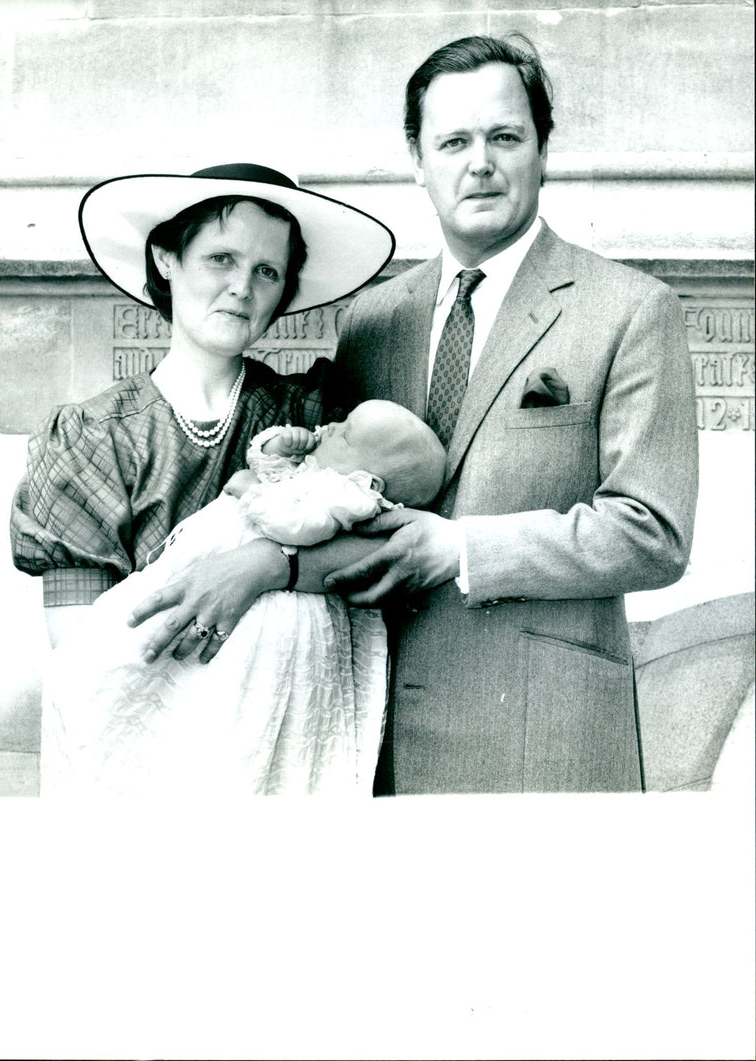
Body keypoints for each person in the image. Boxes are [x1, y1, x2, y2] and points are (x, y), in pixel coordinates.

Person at [125, 35, 699, 795]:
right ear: (418, 159)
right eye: (454, 141)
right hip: (373, 741)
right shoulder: (374, 321)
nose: (480, 163)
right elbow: (345, 496)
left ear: (542, 148)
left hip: (551, 750)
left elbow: (651, 533)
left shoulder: (629, 310)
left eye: (505, 137)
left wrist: (463, 548)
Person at [11, 161, 395, 789]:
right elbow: (88, 662)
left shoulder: (315, 420)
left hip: (286, 740)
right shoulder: (92, 439)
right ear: (167, 258)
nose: (242, 287)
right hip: (145, 761)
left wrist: (261, 567)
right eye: (221, 258)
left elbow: (377, 558)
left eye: (266, 271)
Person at [40, 401, 445, 796]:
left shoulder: (345, 496)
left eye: (346, 433)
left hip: (268, 604)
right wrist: (276, 448)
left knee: (222, 696)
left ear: (369, 480)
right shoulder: (319, 473)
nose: (331, 426)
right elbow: (265, 463)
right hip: (210, 571)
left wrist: (252, 490)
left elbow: (296, 526)